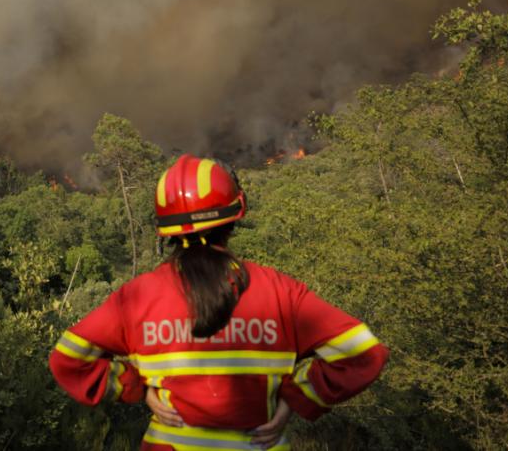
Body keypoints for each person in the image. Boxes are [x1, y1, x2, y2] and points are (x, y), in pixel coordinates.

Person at [49, 154, 389, 450]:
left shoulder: (138, 297)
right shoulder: (279, 292)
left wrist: (138, 386)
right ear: (236, 213)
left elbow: (68, 359)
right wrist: (294, 398)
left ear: (164, 228)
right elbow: (363, 354)